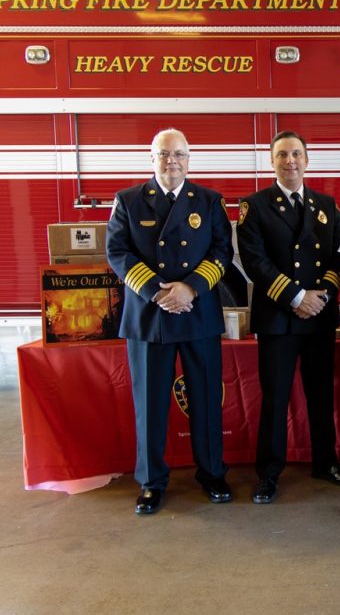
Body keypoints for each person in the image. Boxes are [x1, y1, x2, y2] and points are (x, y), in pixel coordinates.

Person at [106, 128, 232, 515]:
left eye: (178, 154)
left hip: (197, 313)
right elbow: (117, 251)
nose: (171, 161)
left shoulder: (209, 201)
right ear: (152, 158)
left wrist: (190, 289)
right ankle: (151, 482)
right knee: (151, 405)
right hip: (149, 315)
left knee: (207, 401)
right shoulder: (128, 200)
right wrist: (157, 293)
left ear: (189, 160)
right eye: (164, 154)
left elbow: (223, 251)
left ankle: (212, 474)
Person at [236, 131, 340, 505]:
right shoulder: (254, 206)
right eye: (282, 155)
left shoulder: (325, 203)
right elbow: (254, 261)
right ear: (271, 162)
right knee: (275, 398)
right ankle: (269, 473)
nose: (290, 161)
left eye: (296, 154)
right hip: (278, 319)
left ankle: (325, 463)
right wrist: (295, 296)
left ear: (307, 160)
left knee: (321, 394)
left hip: (318, 317)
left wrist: (320, 295)